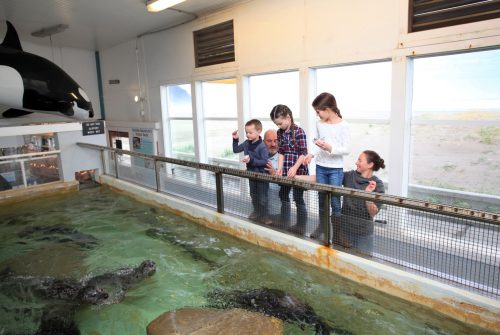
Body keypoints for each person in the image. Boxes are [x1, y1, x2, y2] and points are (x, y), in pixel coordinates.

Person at [304, 92, 350, 243]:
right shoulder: (320, 124)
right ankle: (322, 227)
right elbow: (319, 144)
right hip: (321, 167)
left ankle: (337, 234)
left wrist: (330, 147)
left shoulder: (344, 125)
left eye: (318, 112)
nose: (317, 115)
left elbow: (347, 149)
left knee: (336, 202)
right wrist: (311, 154)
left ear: (328, 109)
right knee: (322, 200)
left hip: (335, 169)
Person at [269, 104, 309, 233]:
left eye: (280, 123)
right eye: (276, 124)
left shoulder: (299, 131)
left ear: (288, 117)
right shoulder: (280, 133)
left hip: (299, 170)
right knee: (283, 193)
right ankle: (284, 220)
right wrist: (279, 168)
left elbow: (303, 153)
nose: (278, 126)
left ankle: (301, 226)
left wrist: (295, 167)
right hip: (286, 169)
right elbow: (281, 151)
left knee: (298, 197)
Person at [340, 150, 385, 252]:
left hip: (364, 235)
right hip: (344, 231)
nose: (356, 162)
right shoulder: (349, 176)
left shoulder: (378, 184)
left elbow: (373, 213)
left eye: (360, 160)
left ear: (370, 164)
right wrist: (298, 177)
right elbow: (325, 178)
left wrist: (367, 194)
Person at [232, 119, 271, 225]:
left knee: (262, 197)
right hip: (251, 175)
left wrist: (251, 160)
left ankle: (265, 216)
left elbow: (264, 161)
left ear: (259, 131)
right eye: (246, 133)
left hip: (262, 176)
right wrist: (235, 140)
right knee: (253, 194)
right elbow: (236, 150)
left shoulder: (262, 146)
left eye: (250, 132)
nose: (248, 135)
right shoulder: (246, 143)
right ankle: (257, 212)